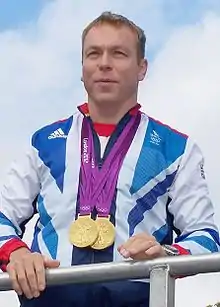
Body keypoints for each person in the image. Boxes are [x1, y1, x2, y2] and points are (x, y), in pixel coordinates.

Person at [0, 11, 219, 307]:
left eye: (118, 53)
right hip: (49, 297)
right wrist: (16, 253)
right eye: (94, 53)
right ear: (82, 68)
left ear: (142, 68)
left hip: (138, 298)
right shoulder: (43, 143)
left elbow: (206, 237)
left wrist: (165, 255)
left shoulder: (177, 149)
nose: (104, 63)